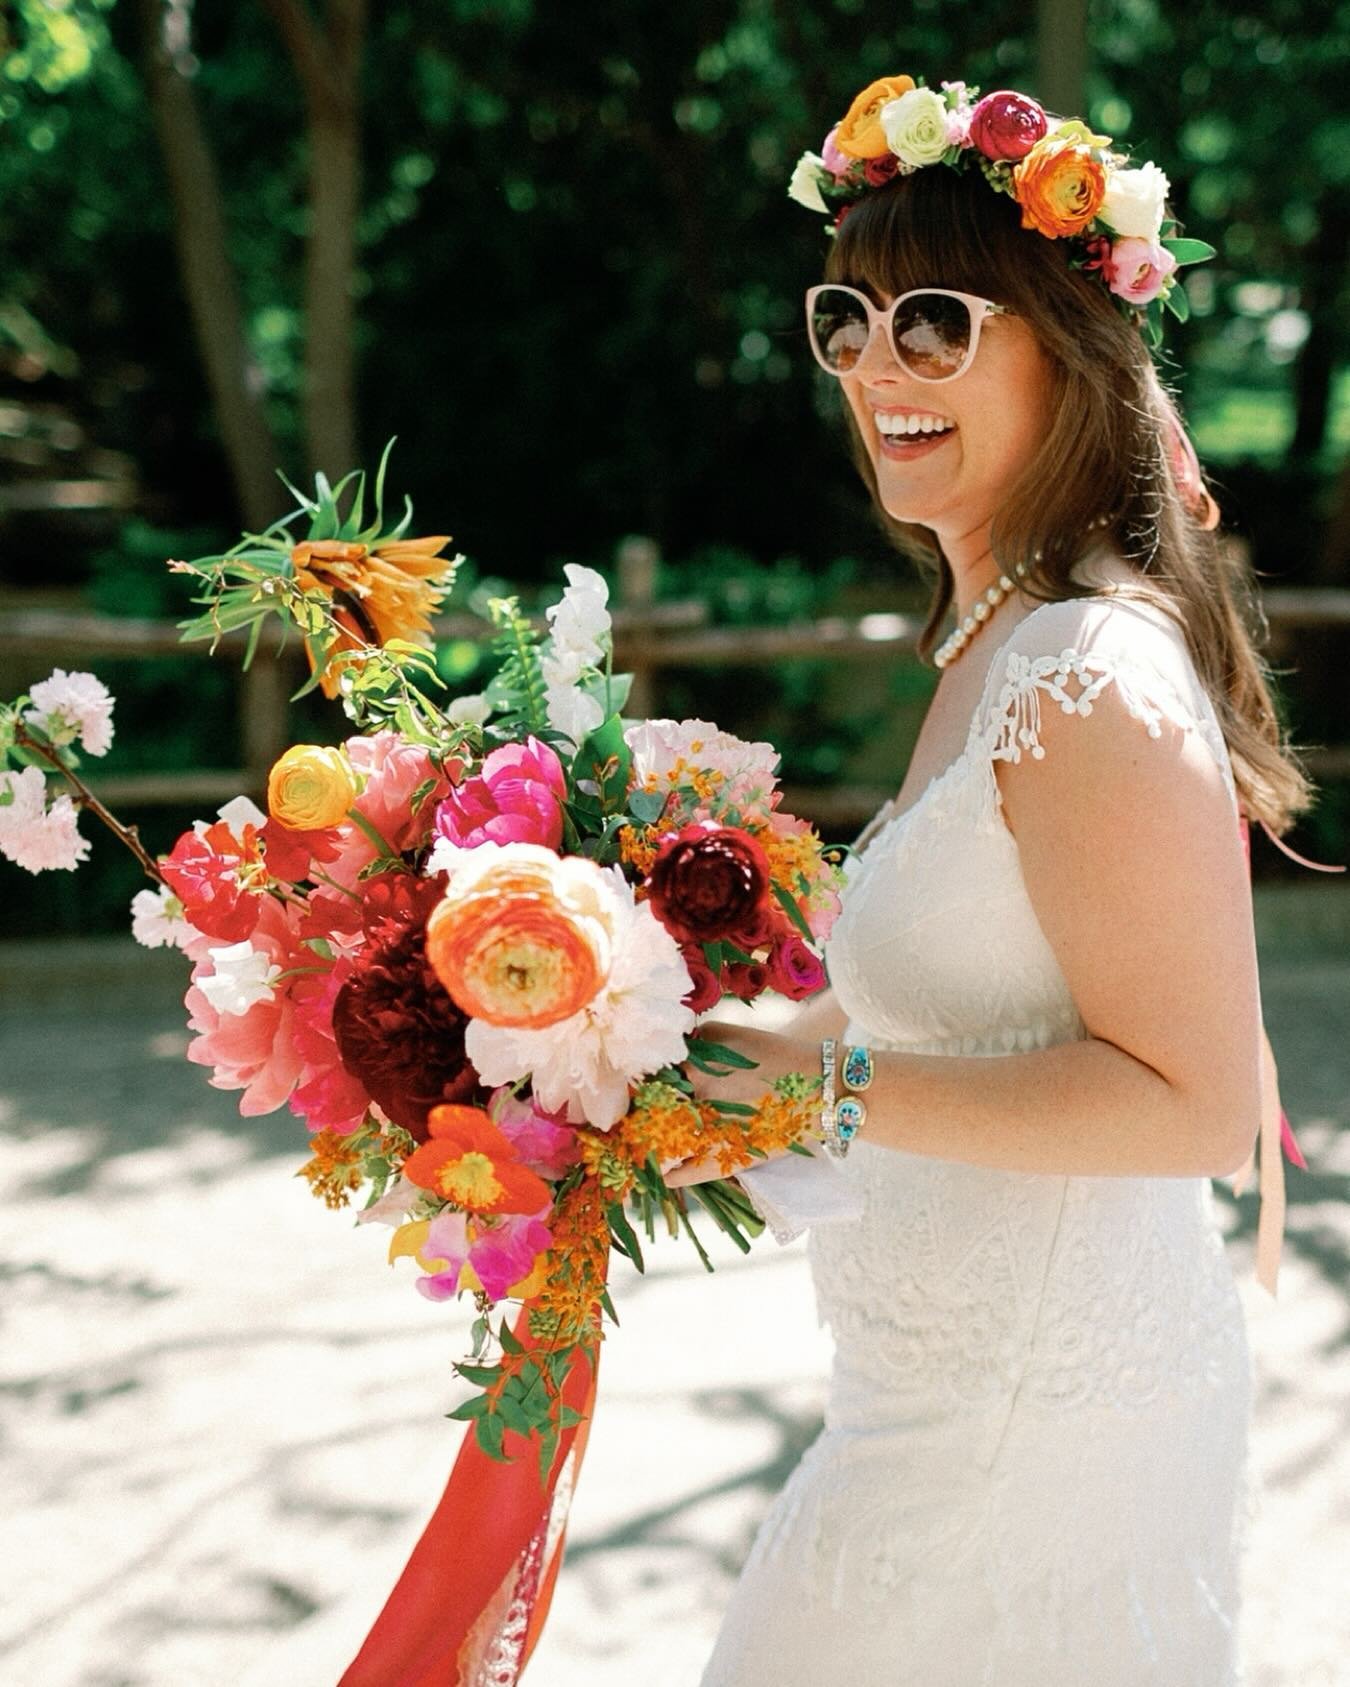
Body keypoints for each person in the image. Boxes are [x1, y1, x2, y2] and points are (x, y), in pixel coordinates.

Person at [662, 75, 1318, 1685]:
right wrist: (649, 1060)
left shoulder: (1085, 667)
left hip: (1028, 1432)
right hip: (932, 1396)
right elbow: (966, 1030)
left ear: (1067, 358)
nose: (878, 366)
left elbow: (1188, 1103)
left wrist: (820, 1099)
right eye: (848, 320)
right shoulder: (990, 642)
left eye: (936, 325)